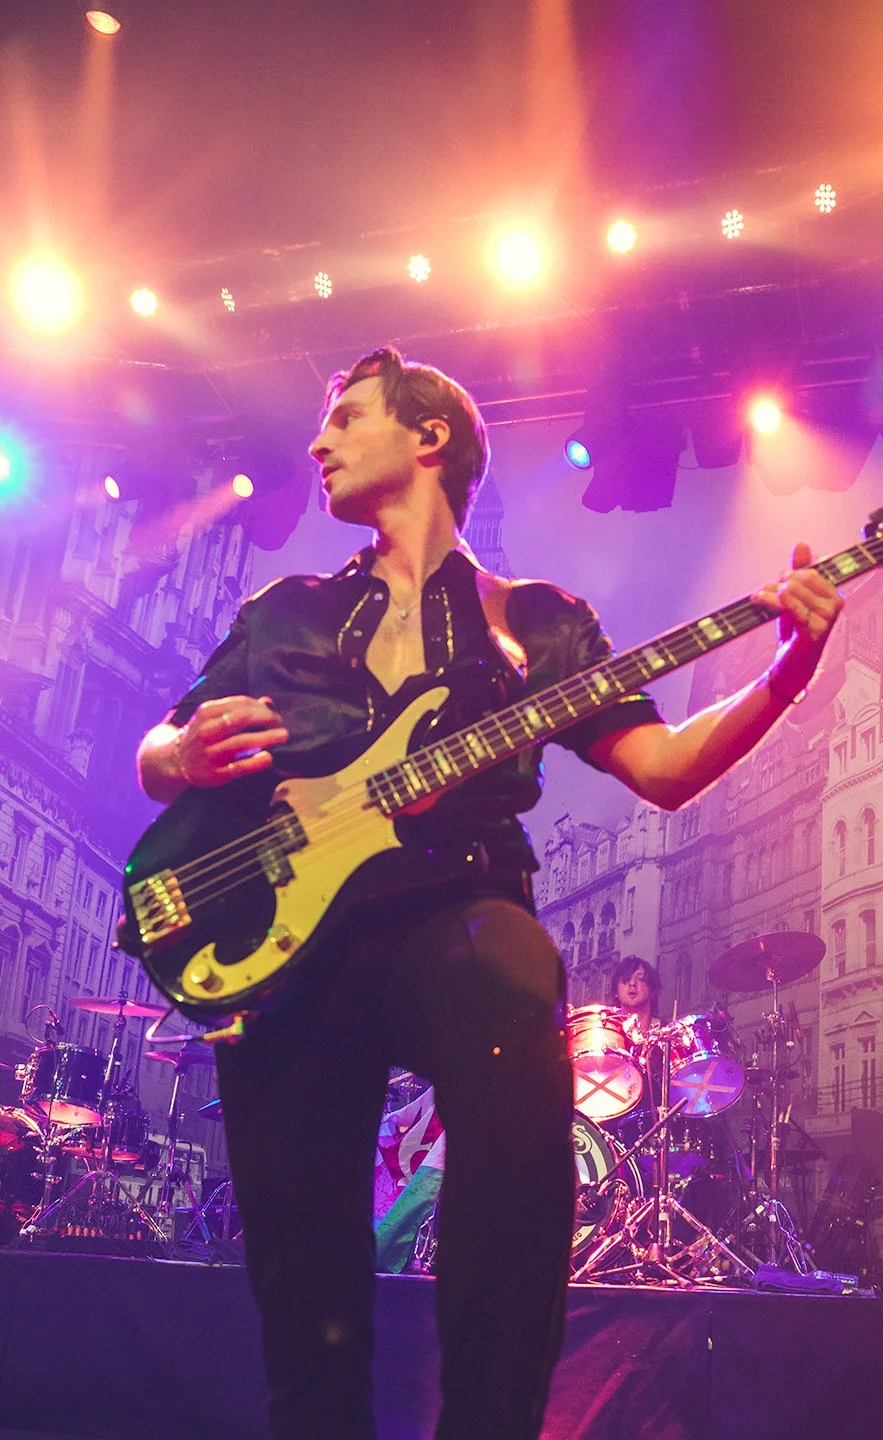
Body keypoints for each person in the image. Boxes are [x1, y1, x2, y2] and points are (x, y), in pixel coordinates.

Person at [134, 345, 843, 1440]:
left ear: (429, 440)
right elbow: (156, 751)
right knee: (302, 1263)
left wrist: (786, 670)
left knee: (508, 974)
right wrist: (180, 756)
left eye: (347, 419)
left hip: (451, 910)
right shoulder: (286, 611)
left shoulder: (537, 622)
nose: (318, 443)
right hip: (277, 939)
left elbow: (664, 771)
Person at [611, 954, 662, 1042]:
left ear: (652, 989)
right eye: (626, 980)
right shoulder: (608, 1033)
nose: (632, 984)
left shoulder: (667, 1033)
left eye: (640, 979)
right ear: (616, 992)